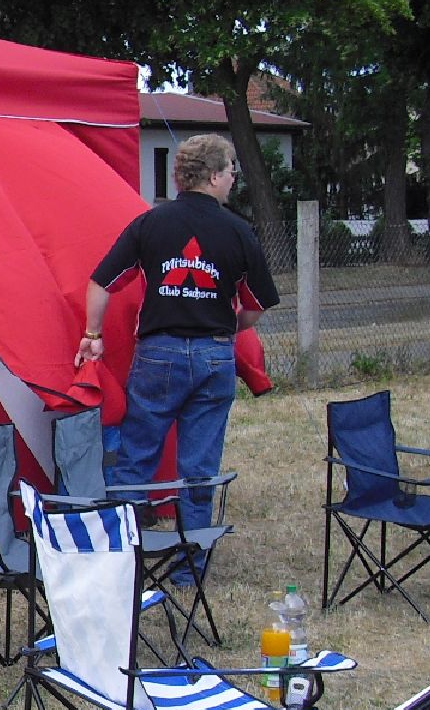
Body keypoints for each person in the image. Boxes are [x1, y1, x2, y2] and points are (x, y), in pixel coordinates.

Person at [75, 134, 279, 577]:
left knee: (136, 457)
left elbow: (100, 282)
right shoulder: (238, 230)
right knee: (199, 467)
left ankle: (120, 561)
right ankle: (191, 567)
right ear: (213, 176)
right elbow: (259, 304)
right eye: (230, 171)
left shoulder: (150, 224)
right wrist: (227, 326)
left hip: (158, 355)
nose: (233, 180)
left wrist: (93, 334)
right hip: (214, 355)